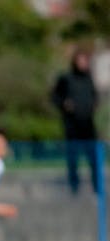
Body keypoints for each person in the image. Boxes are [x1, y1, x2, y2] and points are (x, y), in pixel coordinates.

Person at [50, 50, 101, 195]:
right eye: (80, 60)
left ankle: (97, 187)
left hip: (88, 126)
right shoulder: (66, 78)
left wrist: (94, 104)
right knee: (73, 159)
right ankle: (74, 188)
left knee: (94, 158)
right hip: (72, 127)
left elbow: (95, 95)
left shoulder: (88, 79)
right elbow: (55, 97)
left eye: (85, 60)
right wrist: (64, 104)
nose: (83, 63)